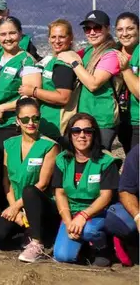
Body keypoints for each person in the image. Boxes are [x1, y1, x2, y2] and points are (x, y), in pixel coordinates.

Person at [0, 98, 60, 263]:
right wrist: (15, 209)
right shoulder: (9, 144)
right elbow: (6, 181)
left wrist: (16, 206)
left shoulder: (50, 146)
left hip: (40, 205)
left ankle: (37, 243)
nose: (31, 123)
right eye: (25, 119)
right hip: (16, 204)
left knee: (30, 191)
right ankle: (25, 229)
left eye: (35, 118)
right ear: (17, 120)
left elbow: (43, 184)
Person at [51, 113, 118, 266]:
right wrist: (68, 222)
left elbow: (106, 196)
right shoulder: (62, 159)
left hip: (98, 212)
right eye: (76, 131)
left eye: (88, 131)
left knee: (89, 231)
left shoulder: (106, 160)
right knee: (62, 256)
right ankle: (84, 247)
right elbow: (60, 193)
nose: (82, 135)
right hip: (72, 212)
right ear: (69, 134)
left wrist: (83, 215)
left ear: (94, 135)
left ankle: (102, 246)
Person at [57, 10, 122, 149]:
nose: (92, 32)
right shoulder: (87, 51)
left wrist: (74, 63)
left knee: (99, 155)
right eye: (87, 28)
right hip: (84, 118)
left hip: (102, 119)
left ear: (107, 29)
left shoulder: (111, 55)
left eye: (97, 28)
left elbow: (93, 84)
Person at [0, 17, 41, 153]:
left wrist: (3, 107)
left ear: (20, 34)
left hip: (10, 124)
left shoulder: (26, 61)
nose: (8, 38)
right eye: (3, 34)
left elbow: (31, 99)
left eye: (12, 33)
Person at [19, 19, 76, 140]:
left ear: (70, 38)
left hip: (57, 125)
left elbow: (63, 97)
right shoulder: (52, 60)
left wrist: (33, 91)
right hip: (46, 122)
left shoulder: (64, 63)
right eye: (53, 37)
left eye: (62, 37)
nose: (57, 41)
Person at [105, 144, 139, 266]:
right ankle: (130, 243)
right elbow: (126, 191)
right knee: (114, 219)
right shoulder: (137, 153)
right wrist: (138, 217)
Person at [115, 12, 139, 153]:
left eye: (130, 29)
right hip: (120, 120)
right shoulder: (113, 51)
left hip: (137, 121)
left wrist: (125, 69)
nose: (124, 34)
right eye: (120, 29)